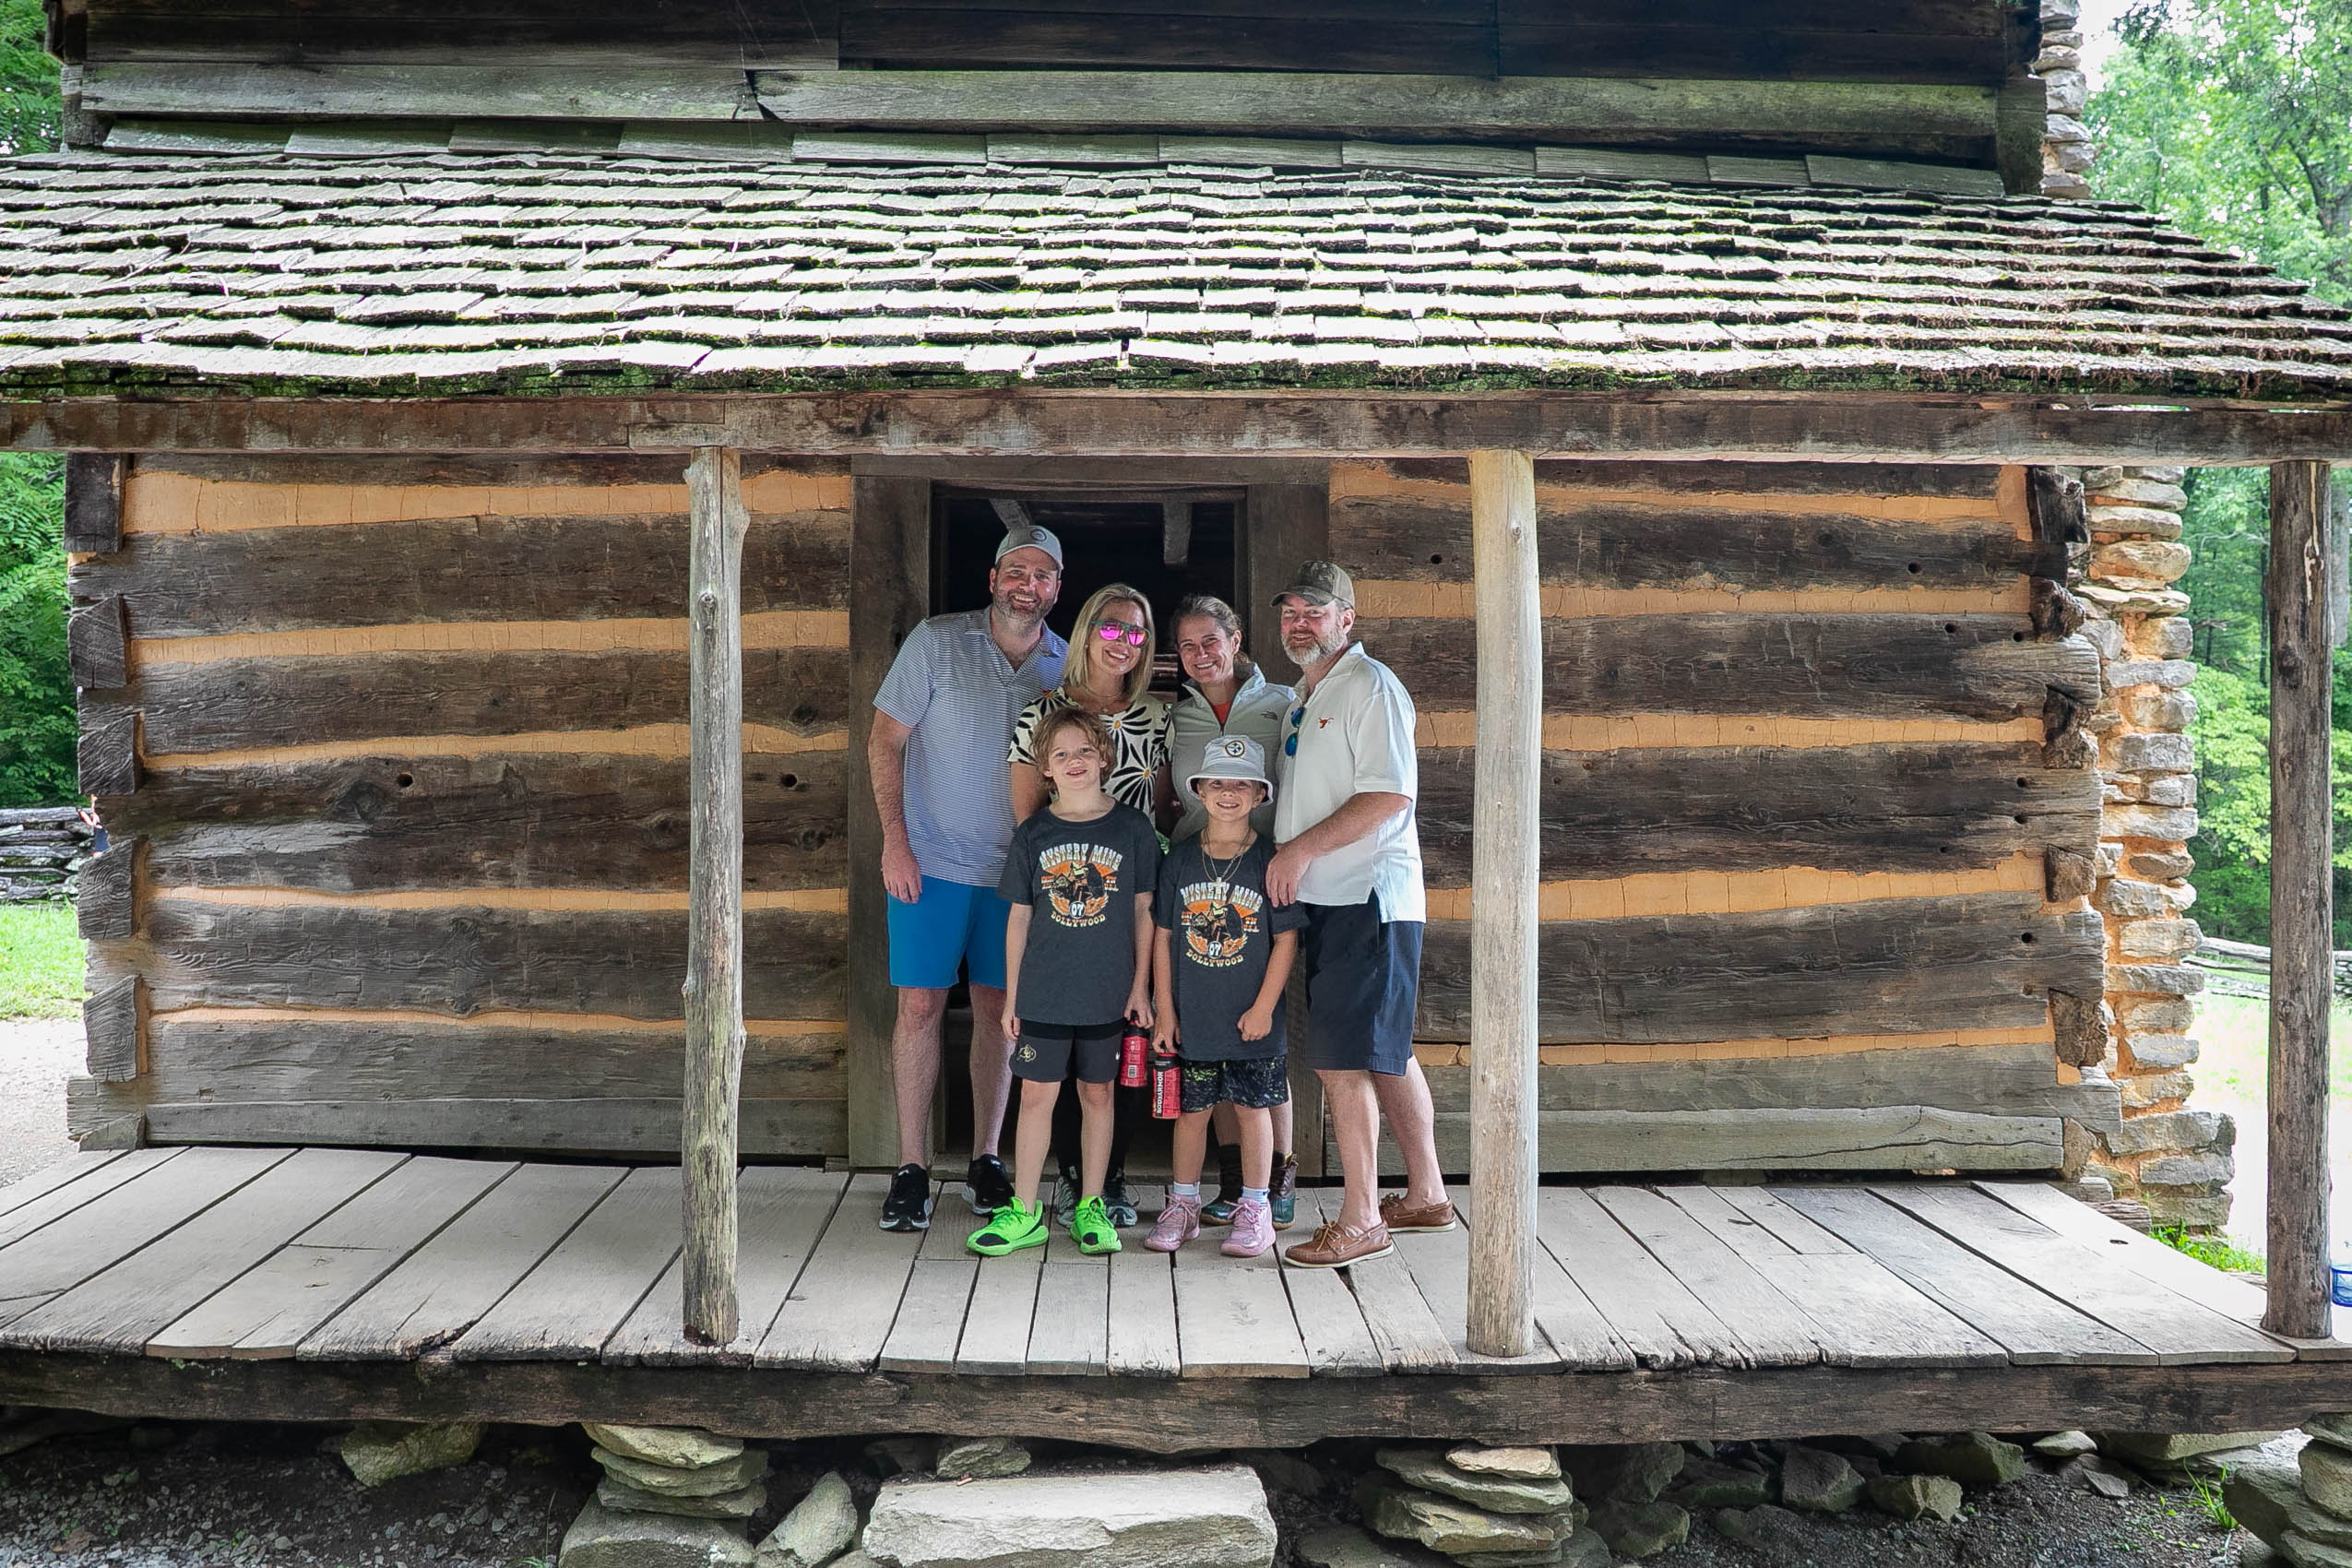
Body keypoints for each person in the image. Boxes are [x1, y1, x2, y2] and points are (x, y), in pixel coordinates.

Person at [868, 522, 1067, 1233]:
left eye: (1042, 575)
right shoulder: (936, 640)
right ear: (992, 579)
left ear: (1057, 588)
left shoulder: (1064, 663)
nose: (1027, 585)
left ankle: (987, 1158)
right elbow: (885, 740)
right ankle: (910, 1168)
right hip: (929, 864)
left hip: (1015, 874)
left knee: (997, 1010)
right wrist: (895, 842)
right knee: (920, 1008)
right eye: (1016, 571)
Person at [1264, 561, 1455, 1269]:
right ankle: (1427, 1195)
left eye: (1314, 612)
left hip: (1367, 897)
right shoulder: (1305, 695)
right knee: (1385, 1049)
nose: (1299, 623)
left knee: (1344, 1063)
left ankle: (1362, 1219)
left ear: (1347, 618)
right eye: (1290, 612)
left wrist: (1298, 850)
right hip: (1332, 897)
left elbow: (1388, 795)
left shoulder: (1370, 686)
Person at [1007, 583, 1172, 1229]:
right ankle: (1064, 1181)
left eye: (1135, 631)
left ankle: (1107, 1184)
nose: (1122, 641)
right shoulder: (1042, 712)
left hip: (1130, 900)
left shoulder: (1156, 715)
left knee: (1115, 1054)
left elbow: (1160, 811)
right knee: (1056, 1067)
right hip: (1066, 904)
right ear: (1085, 632)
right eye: (1110, 627)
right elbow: (1030, 822)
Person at [972, 707, 1160, 1258]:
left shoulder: (1132, 829)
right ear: (1046, 769)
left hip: (1108, 990)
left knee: (1099, 1094)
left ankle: (1091, 1206)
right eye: (1061, 754)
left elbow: (1144, 911)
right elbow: (1019, 917)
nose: (1074, 761)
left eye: (1084, 751)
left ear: (1104, 757)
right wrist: (1013, 995)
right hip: (1045, 991)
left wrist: (1140, 987)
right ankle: (1025, 1210)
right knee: (1036, 1097)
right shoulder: (1034, 832)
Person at [1161, 594, 1301, 1230]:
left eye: (1211, 641)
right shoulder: (1180, 716)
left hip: (1267, 877)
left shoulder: (1282, 704)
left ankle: (1277, 1178)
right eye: (1187, 645)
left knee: (1261, 1039)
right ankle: (1229, 1181)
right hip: (1199, 878)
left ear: (1236, 640)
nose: (1201, 655)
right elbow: (1168, 798)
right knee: (1213, 1040)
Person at [1145, 735, 1302, 1259]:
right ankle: (1183, 1204)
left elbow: (1286, 939)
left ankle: (1255, 1208)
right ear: (1199, 791)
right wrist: (1166, 1011)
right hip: (1195, 1017)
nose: (1228, 793)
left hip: (1252, 1020)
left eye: (1241, 784)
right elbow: (1164, 937)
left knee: (1254, 1111)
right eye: (1217, 783)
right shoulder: (1181, 860)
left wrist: (1263, 1008)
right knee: (1192, 1113)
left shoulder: (1270, 861)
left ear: (1260, 795)